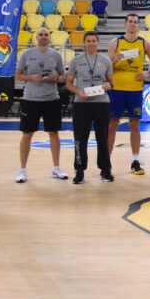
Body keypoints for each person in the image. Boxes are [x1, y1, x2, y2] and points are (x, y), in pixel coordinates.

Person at [14, 27, 68, 183]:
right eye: (41, 34)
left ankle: (56, 167)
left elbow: (63, 76)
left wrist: (55, 78)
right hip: (30, 99)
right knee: (27, 134)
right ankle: (22, 170)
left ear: (50, 37)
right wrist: (31, 77)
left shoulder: (56, 55)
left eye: (46, 34)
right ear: (36, 37)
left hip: (51, 99)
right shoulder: (26, 54)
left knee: (54, 133)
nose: (44, 37)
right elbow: (18, 75)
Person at [107, 13, 150, 176]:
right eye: (130, 22)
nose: (133, 25)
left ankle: (135, 161)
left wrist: (147, 75)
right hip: (117, 89)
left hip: (135, 89)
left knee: (135, 125)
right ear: (125, 24)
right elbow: (106, 69)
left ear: (138, 26)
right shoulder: (116, 42)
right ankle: (107, 161)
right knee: (113, 123)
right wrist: (114, 61)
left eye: (135, 22)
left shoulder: (144, 43)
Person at [65, 31, 114, 185]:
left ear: (98, 42)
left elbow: (112, 82)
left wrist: (109, 85)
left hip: (102, 103)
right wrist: (78, 92)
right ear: (84, 43)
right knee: (80, 139)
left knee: (103, 138)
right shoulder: (75, 61)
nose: (91, 43)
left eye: (94, 40)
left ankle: (105, 170)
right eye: (88, 40)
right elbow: (68, 83)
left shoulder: (106, 61)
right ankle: (79, 171)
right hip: (82, 104)